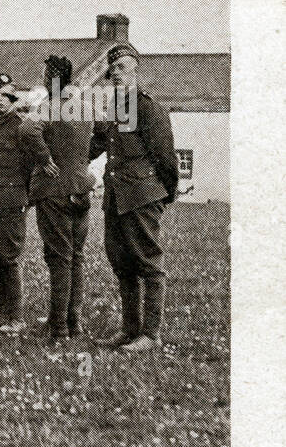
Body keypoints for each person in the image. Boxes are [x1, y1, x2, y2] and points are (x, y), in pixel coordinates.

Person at [91, 43, 179, 352]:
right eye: (112, 69)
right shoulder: (115, 107)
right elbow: (99, 144)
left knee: (148, 262)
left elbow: (166, 157)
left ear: (135, 71)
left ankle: (150, 335)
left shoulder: (147, 107)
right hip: (116, 196)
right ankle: (130, 330)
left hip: (141, 196)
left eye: (122, 67)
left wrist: (162, 194)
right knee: (121, 261)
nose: (115, 73)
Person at [26, 56, 97, 343]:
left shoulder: (49, 106)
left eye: (45, 75)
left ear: (53, 78)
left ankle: (58, 327)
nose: (42, 80)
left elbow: (27, 130)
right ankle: (73, 322)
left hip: (54, 190)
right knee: (76, 257)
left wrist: (44, 159)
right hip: (81, 187)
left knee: (59, 259)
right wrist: (81, 162)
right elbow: (104, 134)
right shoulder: (86, 106)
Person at [0, 73, 40, 333]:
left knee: (9, 258)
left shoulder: (21, 126)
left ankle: (15, 318)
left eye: (4, 95)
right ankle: (3, 314)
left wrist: (24, 198)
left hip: (11, 200)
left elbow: (33, 165)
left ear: (14, 98)